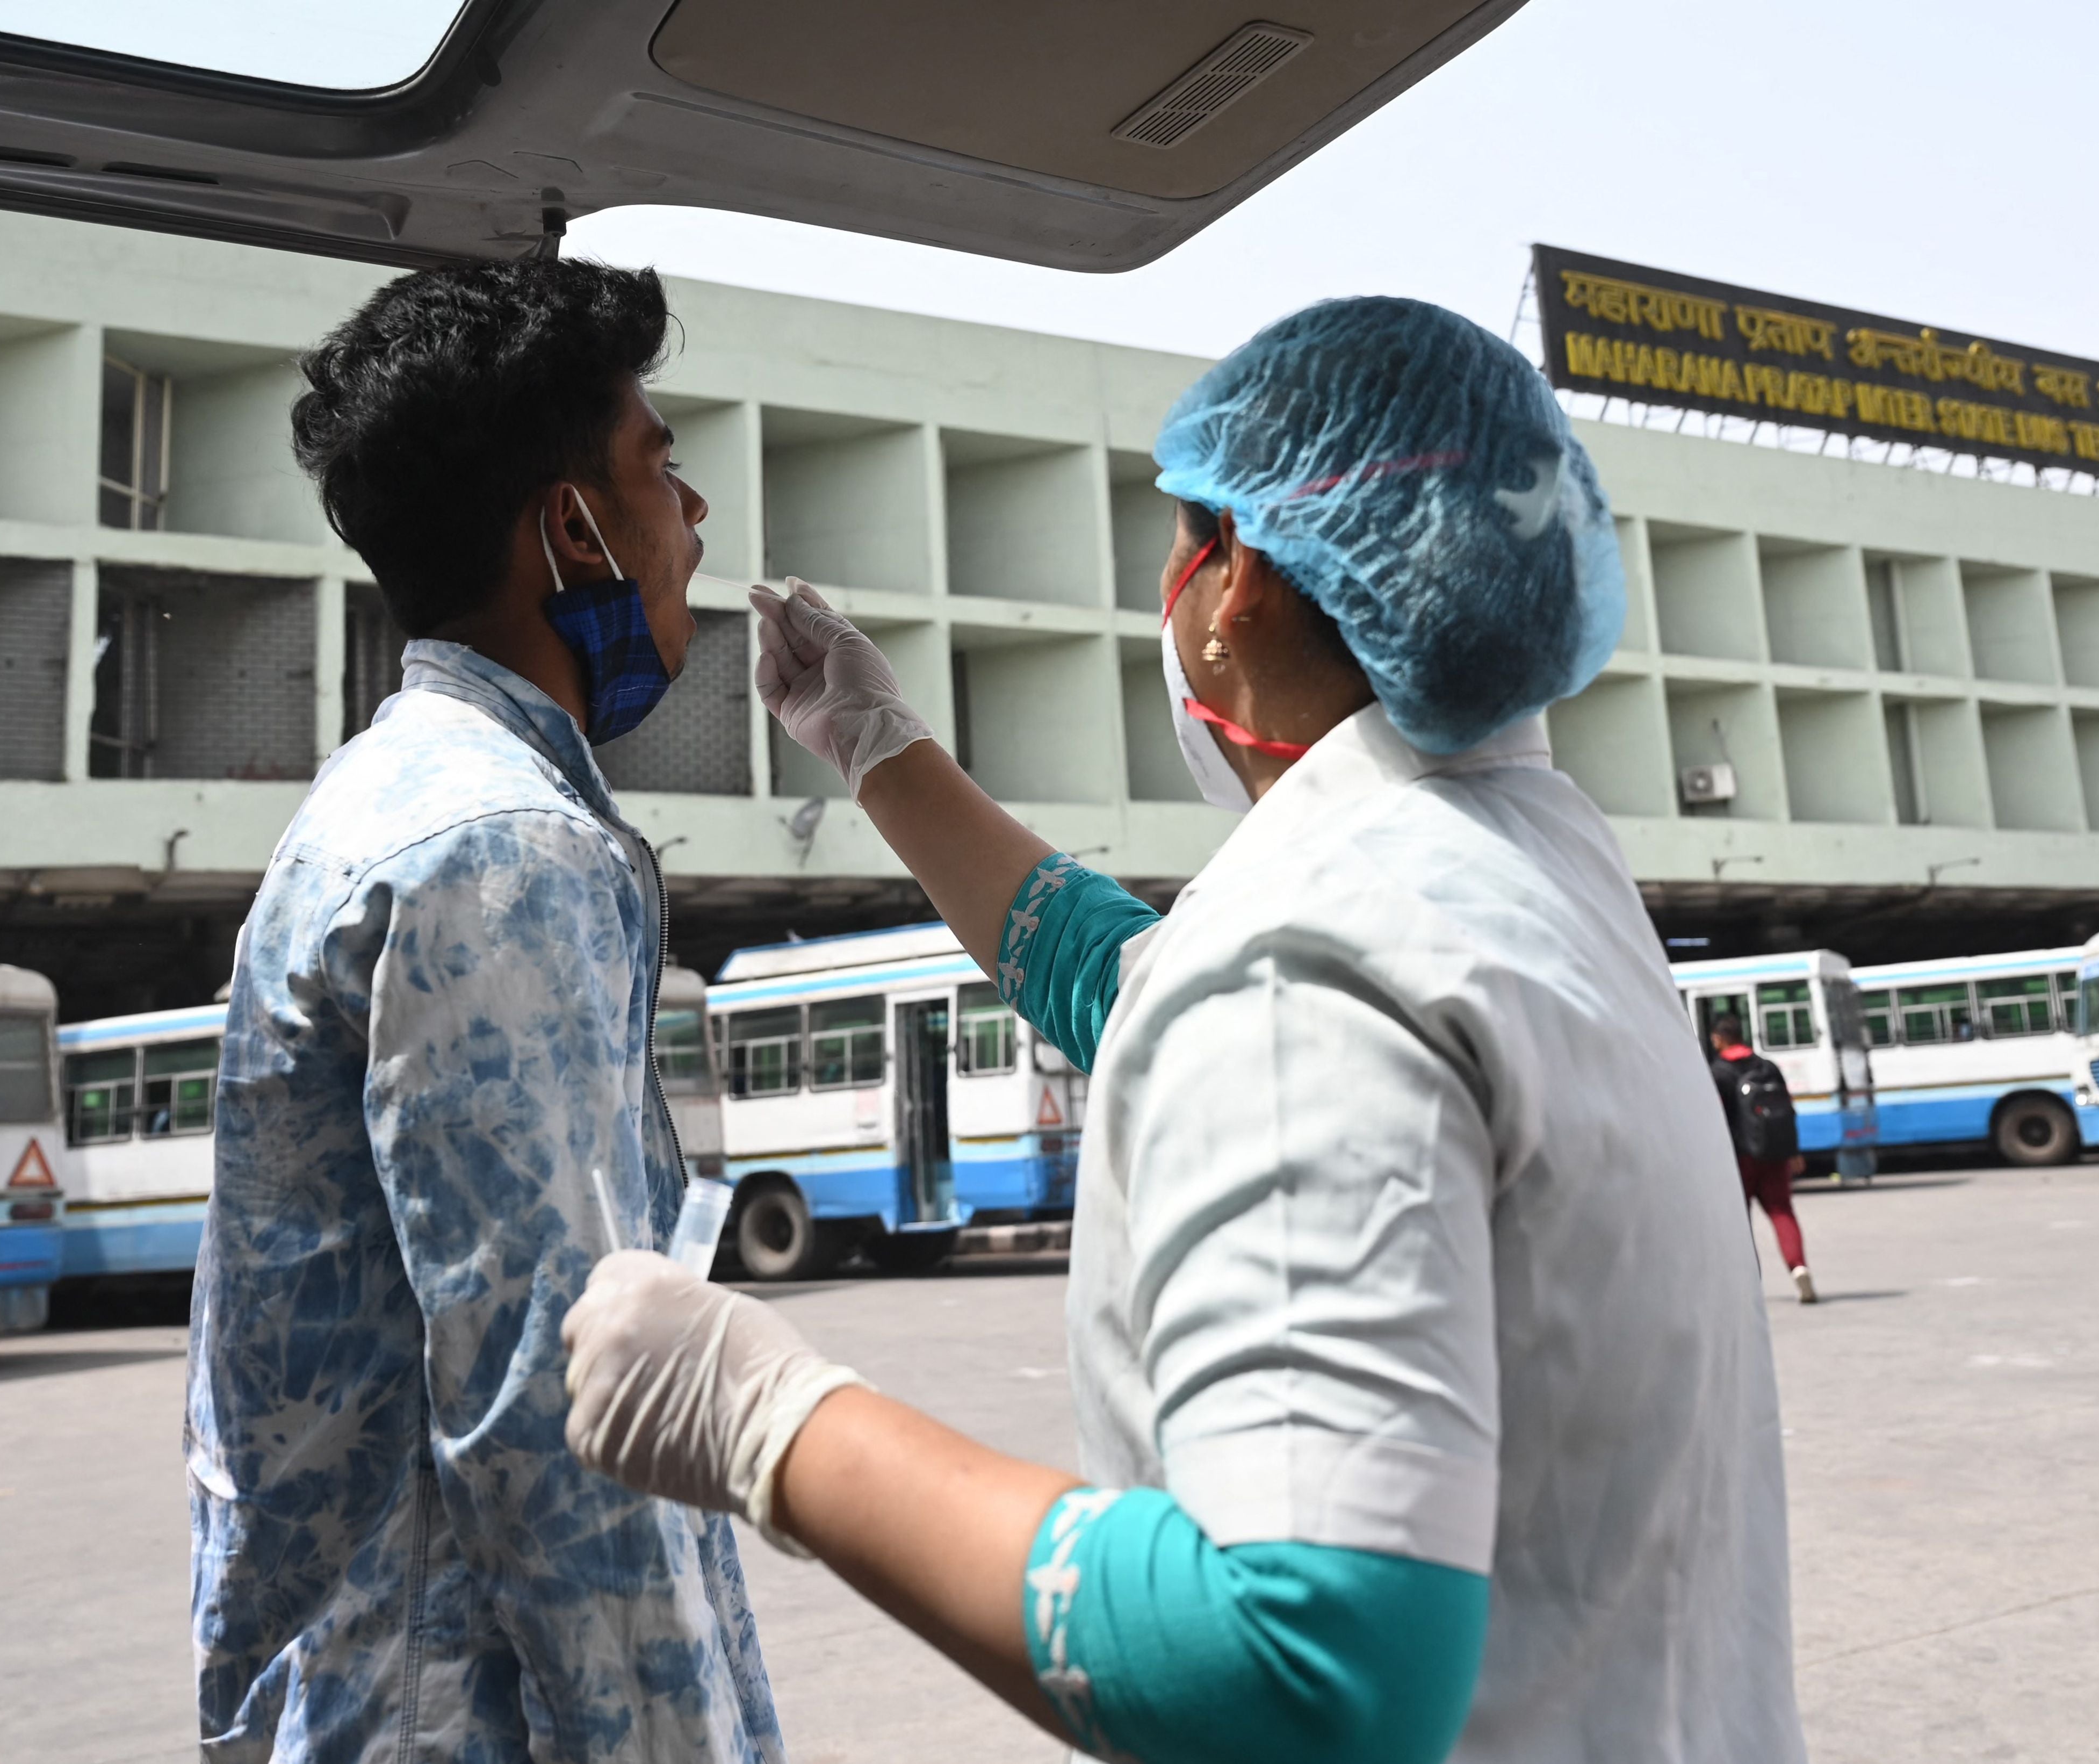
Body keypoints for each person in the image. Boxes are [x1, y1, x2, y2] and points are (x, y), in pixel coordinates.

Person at [561, 297, 1806, 1763]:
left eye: (1179, 536)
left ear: (1244, 584)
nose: (1168, 583)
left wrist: (774, 1423)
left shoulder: (1307, 953)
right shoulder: (1523, 861)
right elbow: (1144, 988)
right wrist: (882, 752)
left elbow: (1296, 1670)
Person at [190, 260, 787, 1762]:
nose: (695, 514)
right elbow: (566, 1412)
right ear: (568, 526)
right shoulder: (496, 850)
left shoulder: (392, 798)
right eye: (660, 459)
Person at [1709, 1013, 1818, 1304]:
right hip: (1774, 1153)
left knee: (1739, 1223)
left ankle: (1750, 1286)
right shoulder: (1767, 1067)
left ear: (1718, 1039)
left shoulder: (1718, 1073)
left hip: (1738, 1159)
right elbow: (1787, 1109)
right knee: (1782, 1212)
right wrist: (1793, 1151)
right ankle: (1799, 1268)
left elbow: (1713, 1118)